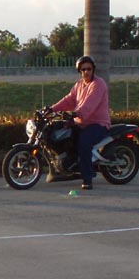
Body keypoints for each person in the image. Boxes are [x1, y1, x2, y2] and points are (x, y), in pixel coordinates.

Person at [49, 55, 110, 190]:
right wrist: (51, 109)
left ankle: (87, 178)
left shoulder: (98, 84)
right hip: (81, 122)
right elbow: (69, 100)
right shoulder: (79, 85)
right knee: (64, 135)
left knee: (84, 141)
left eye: (89, 69)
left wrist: (76, 113)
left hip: (98, 124)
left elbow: (89, 104)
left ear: (93, 69)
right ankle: (64, 168)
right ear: (79, 71)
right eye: (83, 69)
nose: (86, 72)